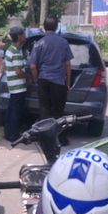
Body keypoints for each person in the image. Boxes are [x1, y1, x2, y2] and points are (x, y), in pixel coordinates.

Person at [29, 16, 73, 146]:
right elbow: (68, 65)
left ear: (43, 27)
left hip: (44, 80)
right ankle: (62, 139)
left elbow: (32, 66)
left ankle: (45, 139)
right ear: (56, 27)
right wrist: (68, 82)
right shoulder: (63, 42)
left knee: (44, 110)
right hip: (59, 82)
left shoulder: (39, 44)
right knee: (59, 111)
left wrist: (37, 79)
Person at [3, 26, 29, 142]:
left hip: (12, 85)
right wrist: (28, 77)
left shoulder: (10, 49)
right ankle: (13, 135)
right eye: (23, 34)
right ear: (19, 36)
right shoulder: (16, 52)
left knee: (11, 110)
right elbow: (19, 72)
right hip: (18, 86)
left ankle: (8, 132)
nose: (25, 36)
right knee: (16, 111)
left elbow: (6, 66)